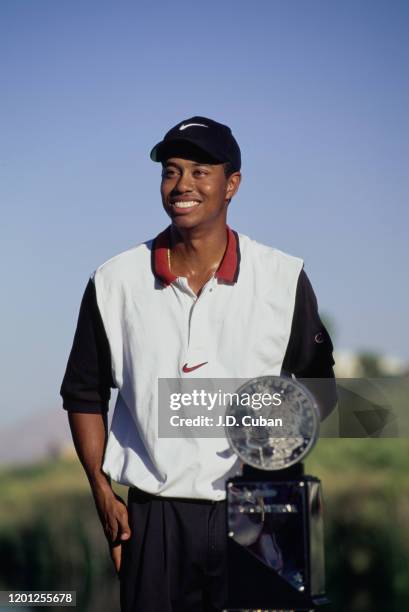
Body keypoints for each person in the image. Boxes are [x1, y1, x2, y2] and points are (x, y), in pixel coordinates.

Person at [60, 116, 337, 612]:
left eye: (199, 171)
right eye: (171, 171)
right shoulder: (113, 281)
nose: (182, 185)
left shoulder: (282, 276)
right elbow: (83, 394)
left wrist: (278, 433)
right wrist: (102, 494)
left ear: (232, 184)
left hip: (262, 512)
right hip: (156, 518)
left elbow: (322, 388)